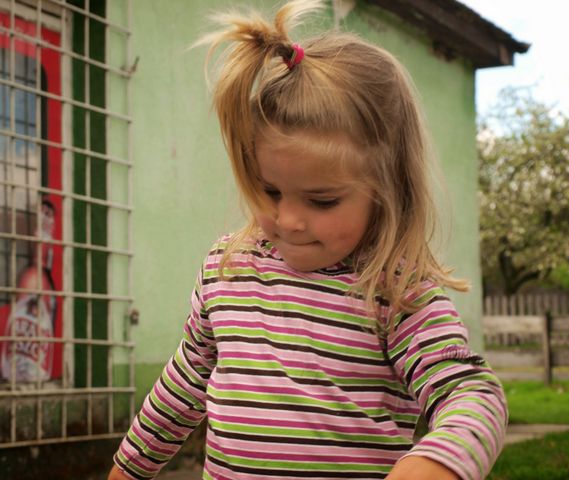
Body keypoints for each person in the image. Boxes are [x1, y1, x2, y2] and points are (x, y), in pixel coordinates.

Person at [108, 1, 507, 479]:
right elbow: (182, 384)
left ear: (385, 191)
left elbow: (471, 393)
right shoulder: (226, 269)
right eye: (270, 191)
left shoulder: (397, 293)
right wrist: (128, 468)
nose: (290, 220)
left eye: (322, 200)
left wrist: (437, 463)